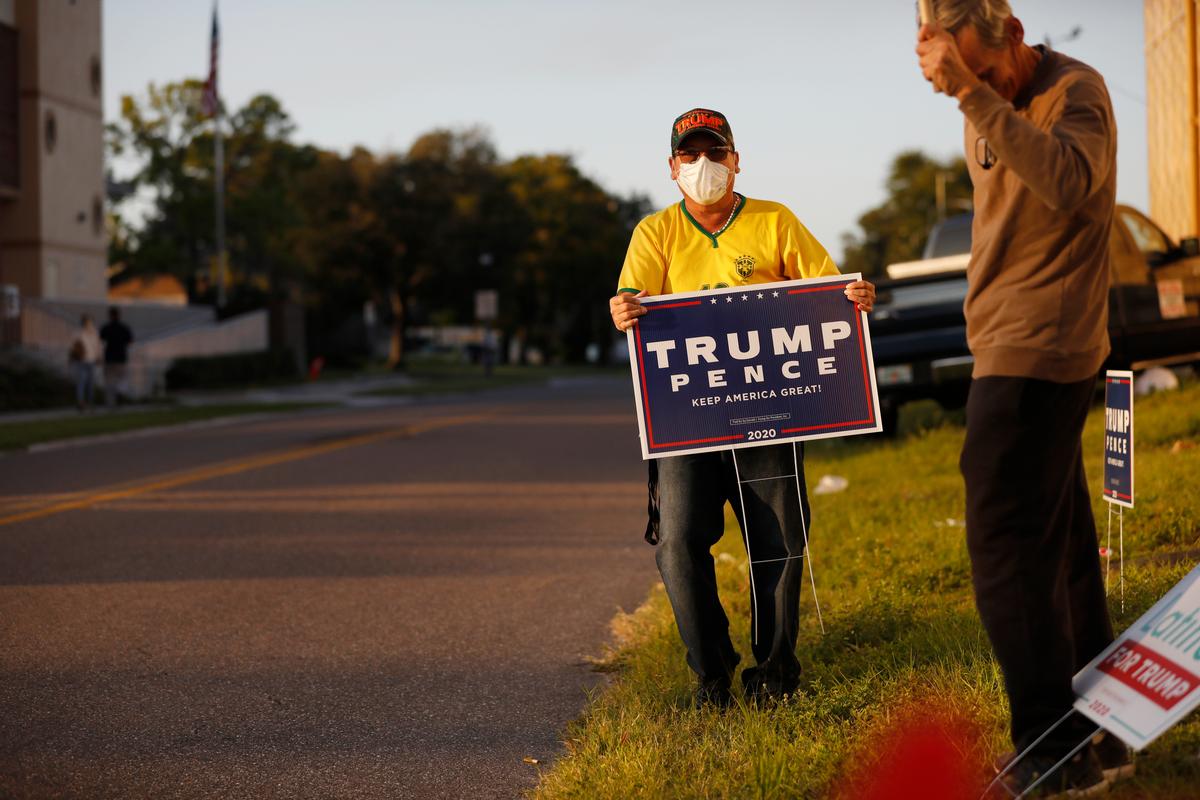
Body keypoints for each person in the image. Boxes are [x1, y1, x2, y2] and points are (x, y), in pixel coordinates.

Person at [916, 1, 1129, 794]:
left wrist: (972, 92)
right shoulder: (988, 92)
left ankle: (1051, 748)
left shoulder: (1077, 90)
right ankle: (1101, 732)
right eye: (959, 71)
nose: (986, 89)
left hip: (1044, 347)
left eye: (990, 69)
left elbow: (1071, 183)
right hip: (1006, 341)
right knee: (1060, 542)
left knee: (1004, 544)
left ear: (1009, 26)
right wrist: (973, 85)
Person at [609, 108, 875, 707]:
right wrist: (622, 308)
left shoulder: (775, 221)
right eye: (690, 155)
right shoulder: (655, 232)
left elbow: (828, 294)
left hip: (769, 415)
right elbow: (631, 296)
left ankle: (777, 672)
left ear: (735, 159)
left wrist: (856, 297)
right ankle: (711, 672)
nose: (703, 165)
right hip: (689, 423)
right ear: (672, 167)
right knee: (677, 543)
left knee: (778, 541)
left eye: (714, 152)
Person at [99, 306, 134, 407]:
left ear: (110, 315)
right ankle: (119, 395)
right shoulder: (124, 328)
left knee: (109, 381)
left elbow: (101, 341)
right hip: (121, 358)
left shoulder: (106, 328)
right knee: (121, 380)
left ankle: (110, 402)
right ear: (119, 315)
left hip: (109, 358)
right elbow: (130, 342)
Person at [68, 314, 103, 412]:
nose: (88, 324)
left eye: (89, 322)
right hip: (81, 361)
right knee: (81, 383)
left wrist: (99, 357)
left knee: (90, 384)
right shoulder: (78, 333)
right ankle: (81, 402)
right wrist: (71, 358)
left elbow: (98, 346)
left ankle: (91, 403)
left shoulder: (94, 333)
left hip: (91, 360)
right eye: (87, 322)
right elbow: (73, 347)